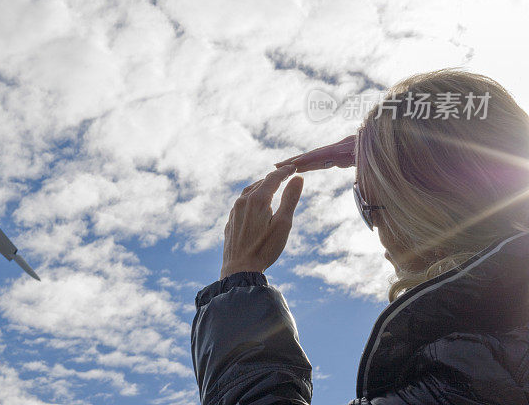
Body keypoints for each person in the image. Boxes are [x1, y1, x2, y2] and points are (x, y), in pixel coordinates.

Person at [191, 68, 529, 404]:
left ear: (421, 209)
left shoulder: (466, 371)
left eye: (370, 208)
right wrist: (400, 148)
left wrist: (238, 275)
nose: (380, 236)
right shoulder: (501, 345)